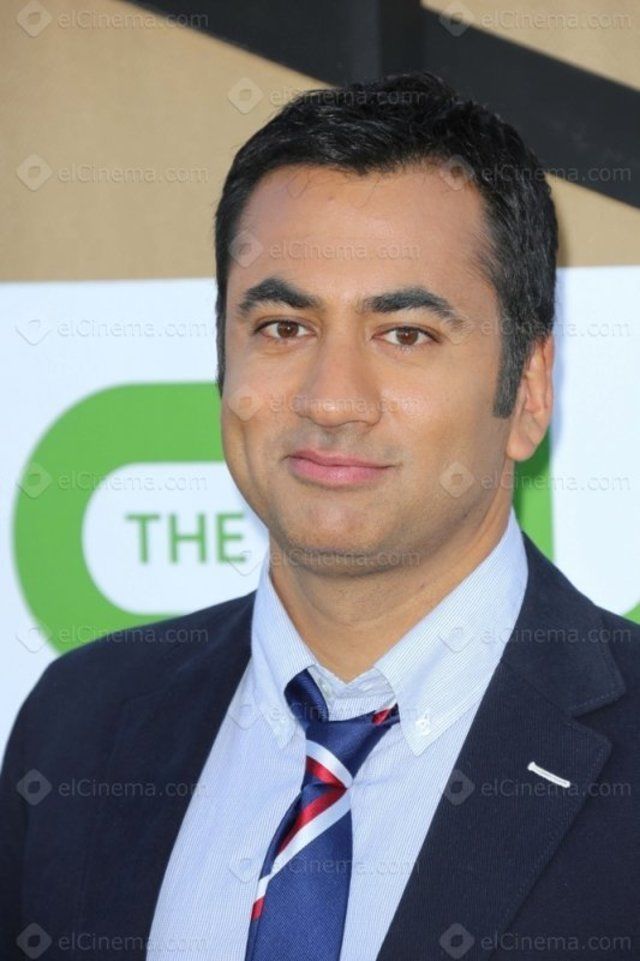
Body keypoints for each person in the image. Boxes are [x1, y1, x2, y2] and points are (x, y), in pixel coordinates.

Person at [1, 71, 638, 961]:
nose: (332, 399)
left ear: (529, 391)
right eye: (284, 327)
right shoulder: (78, 729)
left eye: (406, 334)